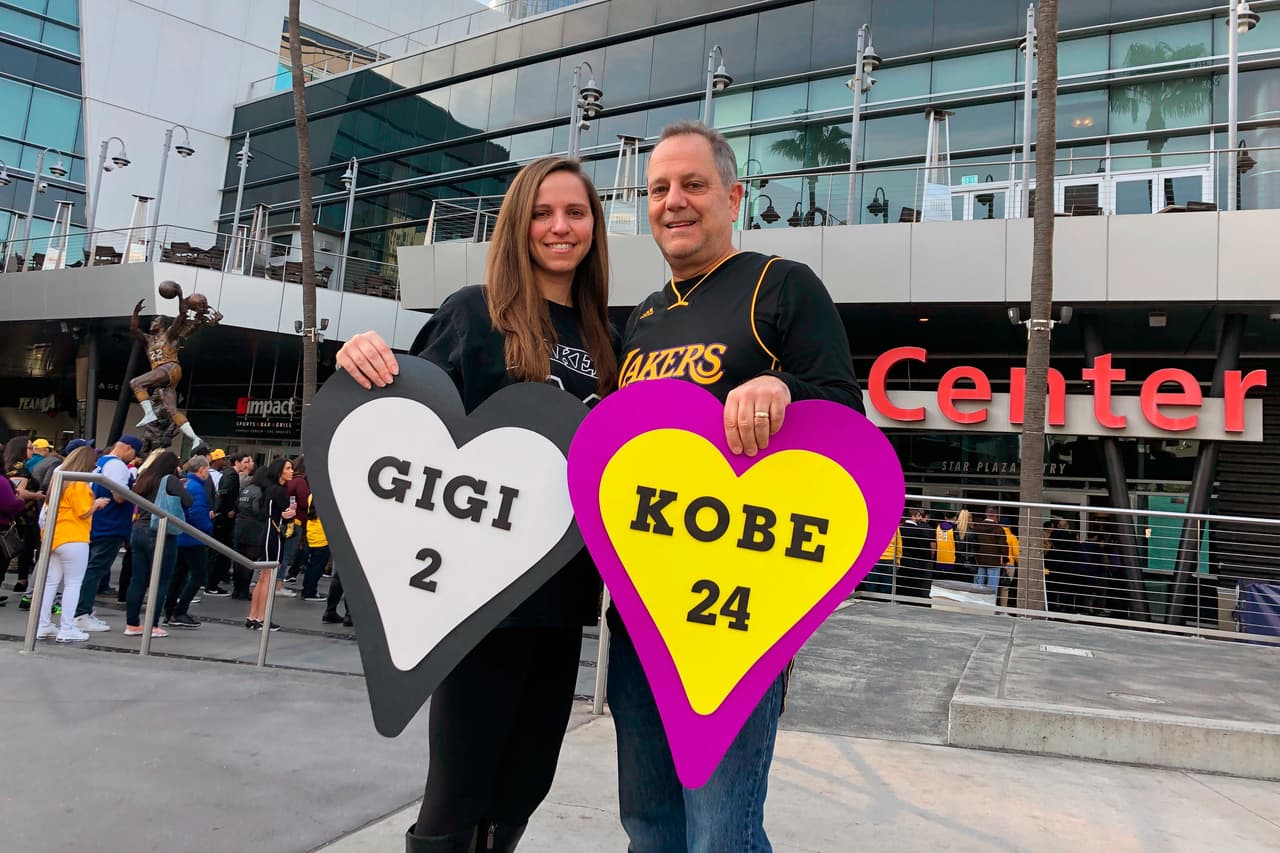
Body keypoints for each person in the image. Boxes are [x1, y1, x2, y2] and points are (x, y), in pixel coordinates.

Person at [336, 154, 618, 852]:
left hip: (563, 601)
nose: (560, 227)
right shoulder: (473, 313)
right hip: (478, 606)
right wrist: (362, 358)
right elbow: (410, 430)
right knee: (458, 791)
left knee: (525, 782)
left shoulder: (608, 335)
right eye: (542, 213)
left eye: (575, 213)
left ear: (594, 227)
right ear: (518, 224)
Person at [608, 120, 862, 852]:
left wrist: (780, 386)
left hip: (736, 622)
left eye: (693, 184)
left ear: (733, 196)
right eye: (659, 189)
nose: (674, 202)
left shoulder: (780, 284)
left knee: (721, 834)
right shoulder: (645, 318)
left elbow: (846, 413)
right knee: (649, 829)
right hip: (642, 616)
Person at [128, 283, 221, 446]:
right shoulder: (149, 340)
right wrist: (135, 313)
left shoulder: (170, 334)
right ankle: (195, 439)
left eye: (155, 321)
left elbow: (182, 314)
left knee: (135, 383)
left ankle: (149, 413)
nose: (152, 323)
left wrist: (179, 295)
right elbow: (134, 330)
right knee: (172, 410)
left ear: (162, 324)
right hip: (165, 376)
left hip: (169, 367)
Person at [35, 446, 111, 643]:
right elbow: (82, 511)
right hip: (74, 537)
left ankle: (43, 625)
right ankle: (66, 627)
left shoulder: (58, 480)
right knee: (73, 584)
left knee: (51, 582)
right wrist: (97, 504)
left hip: (54, 537)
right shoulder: (79, 483)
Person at [75, 435, 142, 632]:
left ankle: (81, 610)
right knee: (95, 569)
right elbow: (119, 496)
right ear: (128, 448)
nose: (133, 458)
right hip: (110, 524)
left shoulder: (100, 462)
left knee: (89, 569)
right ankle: (81, 612)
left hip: (96, 523)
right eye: (134, 453)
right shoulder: (118, 466)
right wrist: (133, 491)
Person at [124, 450, 188, 638]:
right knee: (161, 580)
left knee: (138, 579)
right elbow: (188, 501)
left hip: (138, 529)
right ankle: (152, 625)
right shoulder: (170, 480)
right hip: (159, 532)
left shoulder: (144, 477)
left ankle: (132, 623)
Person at [244, 457, 296, 631]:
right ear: (280, 471)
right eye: (288, 468)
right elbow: (283, 513)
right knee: (268, 576)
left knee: (263, 576)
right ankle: (261, 617)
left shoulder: (271, 489)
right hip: (273, 533)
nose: (291, 471)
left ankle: (254, 615)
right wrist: (290, 513)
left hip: (269, 531)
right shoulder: (278, 491)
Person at [164, 454, 213, 628]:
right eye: (207, 468)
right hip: (193, 538)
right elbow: (197, 514)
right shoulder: (197, 488)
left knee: (178, 575)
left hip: (182, 537)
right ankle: (180, 611)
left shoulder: (186, 484)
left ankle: (169, 609)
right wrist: (208, 528)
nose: (208, 472)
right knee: (198, 575)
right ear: (201, 470)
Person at [3, 436, 44, 599]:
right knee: (21, 548)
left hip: (18, 515)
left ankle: (22, 580)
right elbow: (18, 491)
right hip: (23, 515)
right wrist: (36, 495)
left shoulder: (10, 466)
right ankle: (22, 580)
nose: (32, 451)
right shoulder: (20, 468)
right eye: (29, 448)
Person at [206, 452, 248, 596]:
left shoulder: (229, 474)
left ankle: (212, 582)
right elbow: (224, 493)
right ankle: (212, 583)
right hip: (224, 519)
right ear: (237, 462)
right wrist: (227, 509)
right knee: (221, 551)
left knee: (220, 552)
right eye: (245, 461)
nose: (247, 465)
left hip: (223, 516)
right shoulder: (231, 475)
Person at [898, 506, 935, 601]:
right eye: (919, 515)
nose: (920, 518)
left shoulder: (900, 528)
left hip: (902, 560)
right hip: (916, 562)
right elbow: (923, 548)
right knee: (914, 584)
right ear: (913, 516)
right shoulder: (919, 531)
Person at [971, 507, 1008, 594]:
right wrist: (1006, 559)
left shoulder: (977, 527)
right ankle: (990, 604)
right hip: (994, 562)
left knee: (978, 587)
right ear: (996, 515)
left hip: (980, 560)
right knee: (992, 589)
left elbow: (975, 543)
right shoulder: (998, 529)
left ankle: (976, 603)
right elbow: (1003, 546)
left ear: (986, 514)